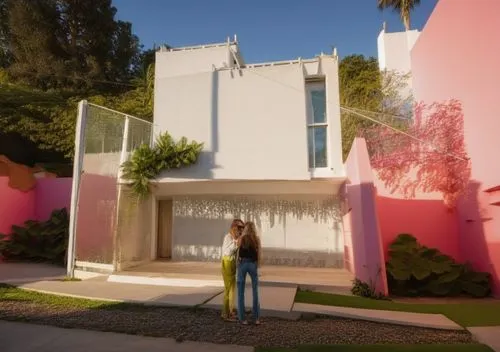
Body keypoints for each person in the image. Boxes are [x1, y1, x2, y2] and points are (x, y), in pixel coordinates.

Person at [236, 221, 261, 325]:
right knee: (255, 291)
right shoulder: (256, 239)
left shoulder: (241, 238)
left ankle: (242, 318)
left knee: (241, 292)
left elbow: (238, 252)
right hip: (252, 264)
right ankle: (256, 318)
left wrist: (237, 264)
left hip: (243, 263)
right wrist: (257, 264)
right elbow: (258, 253)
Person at [221, 219, 244, 321]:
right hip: (227, 263)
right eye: (239, 229)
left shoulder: (233, 237)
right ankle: (225, 314)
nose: (240, 232)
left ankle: (230, 311)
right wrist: (236, 243)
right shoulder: (228, 237)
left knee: (232, 290)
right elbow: (228, 251)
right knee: (228, 289)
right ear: (235, 228)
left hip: (231, 263)